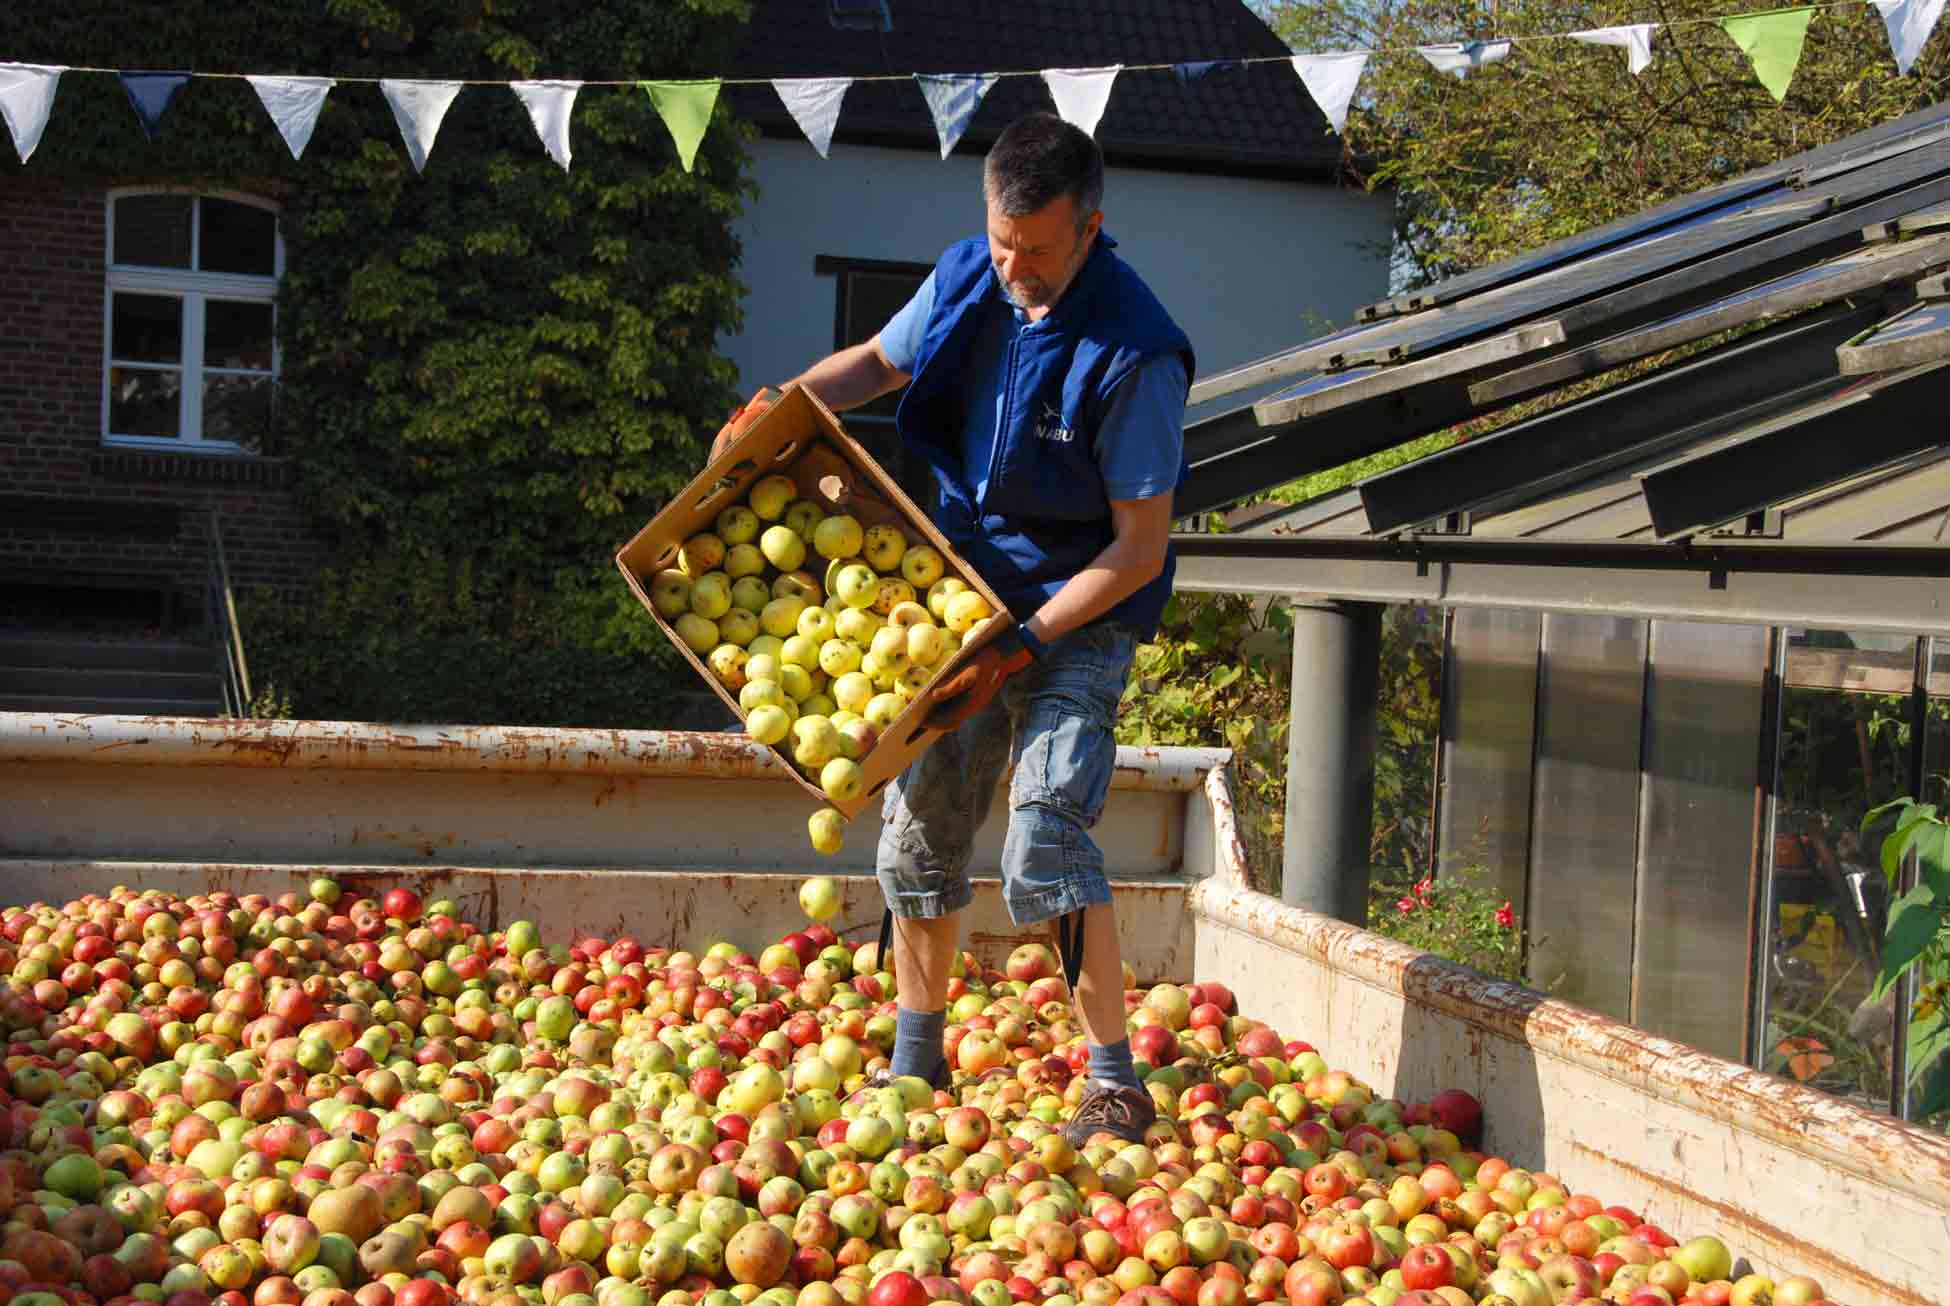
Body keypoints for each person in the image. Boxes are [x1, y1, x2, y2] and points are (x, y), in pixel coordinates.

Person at [712, 112, 1193, 1146]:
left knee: (1044, 834)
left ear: (1092, 228)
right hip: (959, 592)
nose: (1015, 266)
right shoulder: (974, 272)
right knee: (921, 826)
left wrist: (1023, 646)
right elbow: (877, 365)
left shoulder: (1138, 353)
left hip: (1083, 606)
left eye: (1040, 250)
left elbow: (1140, 551)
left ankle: (1115, 1081)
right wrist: (782, 406)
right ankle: (915, 1058)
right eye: (1003, 240)